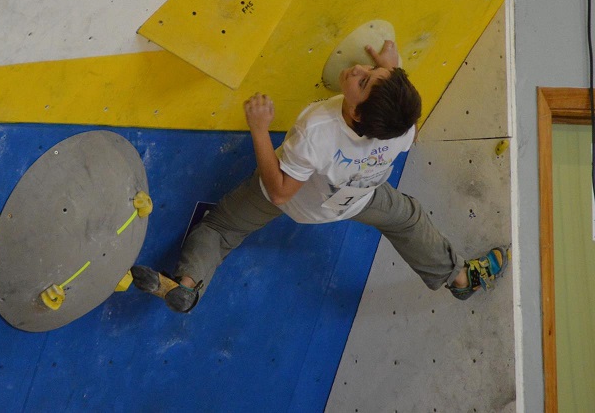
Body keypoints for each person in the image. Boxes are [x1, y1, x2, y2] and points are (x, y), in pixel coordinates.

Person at [131, 40, 509, 313]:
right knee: (408, 218)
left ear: (357, 114)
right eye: (370, 72)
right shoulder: (400, 127)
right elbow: (404, 117)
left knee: (220, 228)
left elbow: (280, 192)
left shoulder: (318, 129)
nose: (358, 70)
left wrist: (259, 130)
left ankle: (187, 285)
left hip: (296, 199)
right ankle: (461, 279)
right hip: (357, 197)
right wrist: (390, 72)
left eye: (363, 82)